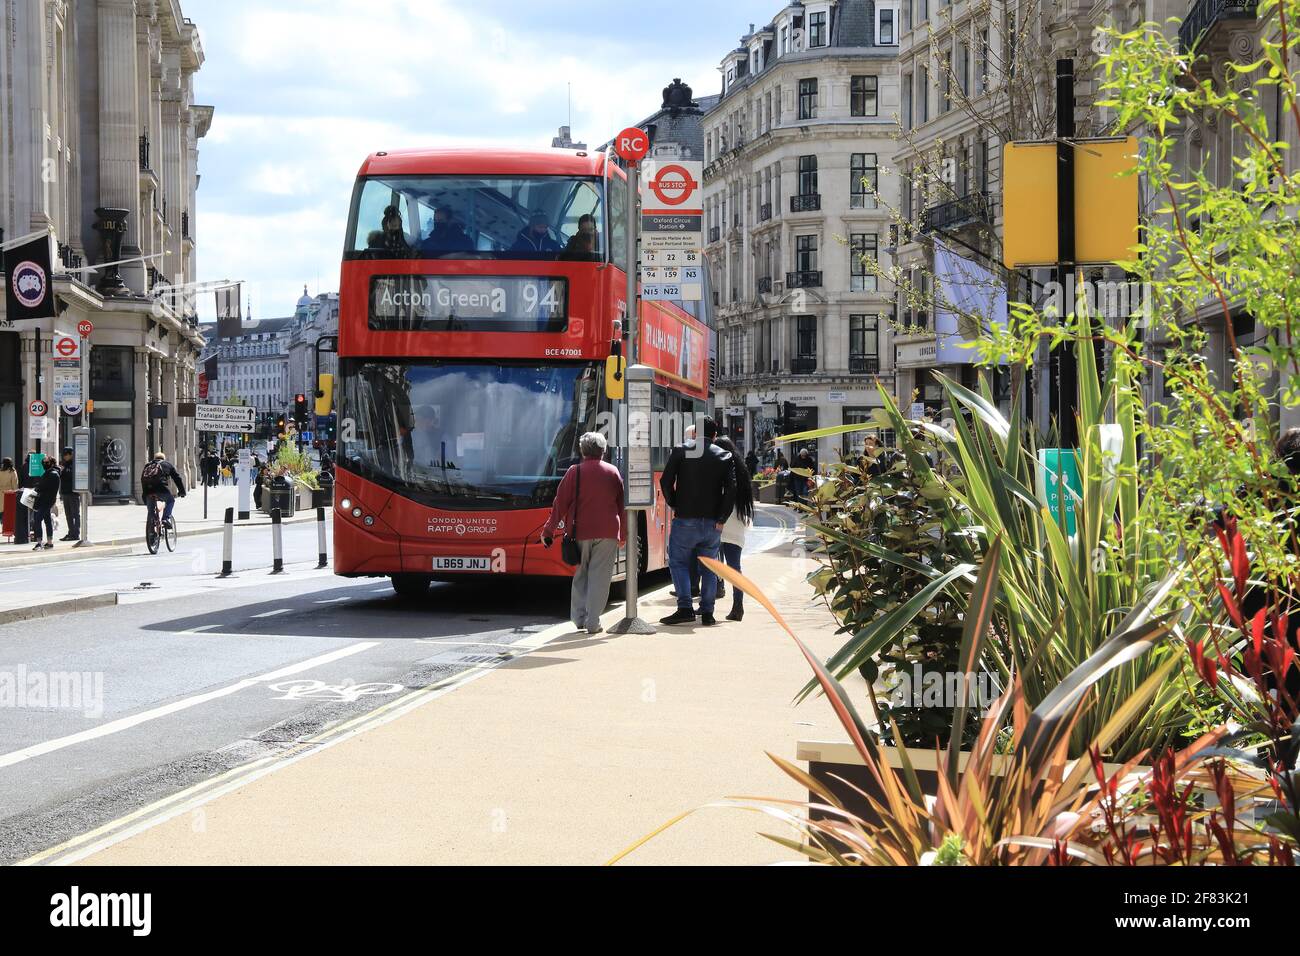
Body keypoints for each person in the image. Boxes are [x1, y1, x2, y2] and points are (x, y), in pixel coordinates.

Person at [541, 432, 626, 634]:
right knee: (600, 577)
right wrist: (623, 534)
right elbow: (621, 505)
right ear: (603, 451)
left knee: (581, 574)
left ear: (582, 450)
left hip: (580, 531)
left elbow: (560, 503)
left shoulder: (574, 472)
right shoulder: (613, 472)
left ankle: (579, 618)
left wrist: (548, 531)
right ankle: (593, 621)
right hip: (608, 532)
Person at [659, 416, 736, 627]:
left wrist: (674, 503)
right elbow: (731, 490)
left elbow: (666, 481)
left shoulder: (681, 450)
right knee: (709, 567)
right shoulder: (724, 455)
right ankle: (708, 613)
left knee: (679, 562)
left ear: (694, 433)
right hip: (713, 522)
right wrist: (722, 518)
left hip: (685, 519)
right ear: (714, 436)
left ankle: (685, 608)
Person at [713, 437, 754, 621]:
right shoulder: (742, 469)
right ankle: (738, 605)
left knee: (711, 564)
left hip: (721, 521)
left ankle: (709, 603)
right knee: (734, 567)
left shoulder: (721, 468)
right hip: (737, 523)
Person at [140, 451, 186, 527]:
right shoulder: (167, 464)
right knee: (171, 500)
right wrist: (182, 492)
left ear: (154, 458)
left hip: (148, 490)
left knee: (151, 511)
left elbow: (143, 479)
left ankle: (151, 525)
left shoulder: (148, 465)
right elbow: (177, 478)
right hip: (161, 489)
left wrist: (144, 493)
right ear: (163, 459)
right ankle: (165, 519)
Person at [30, 455, 60, 550]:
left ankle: (39, 543)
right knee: (47, 520)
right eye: (43, 462)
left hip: (46, 501)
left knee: (37, 519)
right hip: (46, 500)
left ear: (51, 463)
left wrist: (37, 488)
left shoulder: (52, 474)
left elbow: (43, 486)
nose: (44, 464)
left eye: (46, 462)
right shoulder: (50, 473)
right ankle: (49, 542)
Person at [58, 447, 80, 541]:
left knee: (75, 514)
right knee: (68, 514)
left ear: (71, 454)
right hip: (65, 492)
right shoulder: (65, 464)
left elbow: (72, 475)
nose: (65, 456)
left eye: (66, 454)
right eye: (64, 455)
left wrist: (64, 471)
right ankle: (70, 532)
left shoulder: (75, 464)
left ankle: (75, 533)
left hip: (73, 492)